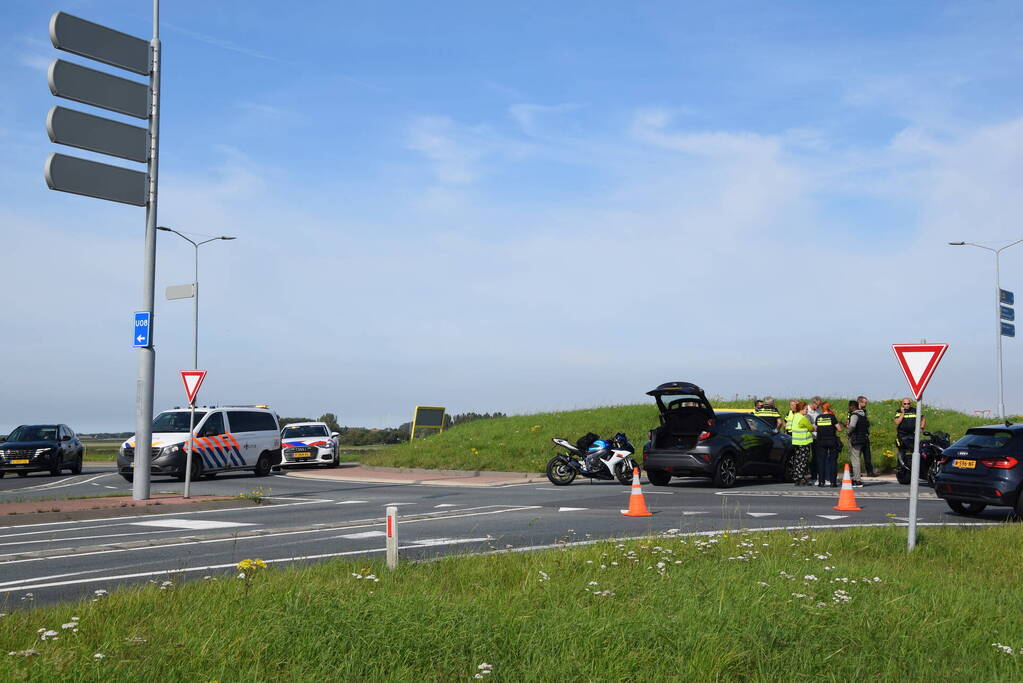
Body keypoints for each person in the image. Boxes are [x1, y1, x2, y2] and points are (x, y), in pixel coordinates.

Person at [814, 402, 844, 487]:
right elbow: (840, 429)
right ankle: (833, 482)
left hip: (821, 442)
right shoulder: (832, 417)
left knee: (821, 462)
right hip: (831, 441)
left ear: (822, 409)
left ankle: (821, 482)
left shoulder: (818, 418)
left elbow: (815, 429)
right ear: (828, 408)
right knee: (832, 462)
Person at [894, 398, 926, 473]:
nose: (907, 405)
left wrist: (921, 427)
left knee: (915, 450)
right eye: (905, 404)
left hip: (912, 434)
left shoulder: (914, 410)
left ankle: (913, 467)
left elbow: (923, 419)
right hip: (901, 435)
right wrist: (902, 413)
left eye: (908, 404)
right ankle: (900, 467)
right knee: (902, 451)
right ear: (902, 404)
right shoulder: (898, 411)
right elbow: (897, 422)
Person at [789, 401, 815, 486]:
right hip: (804, 442)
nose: (807, 411)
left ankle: (797, 477)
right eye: (806, 409)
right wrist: (814, 427)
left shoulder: (795, 416)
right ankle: (801, 478)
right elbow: (811, 428)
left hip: (796, 442)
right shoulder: (803, 418)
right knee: (803, 461)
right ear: (801, 409)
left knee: (797, 460)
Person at [846, 400, 867, 487]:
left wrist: (847, 432)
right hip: (862, 438)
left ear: (852, 407)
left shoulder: (854, 415)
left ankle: (857, 480)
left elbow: (852, 426)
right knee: (856, 458)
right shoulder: (862, 414)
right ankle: (856, 478)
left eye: (849, 407)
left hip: (855, 439)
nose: (849, 408)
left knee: (855, 460)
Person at [857, 395, 876, 477]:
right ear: (860, 402)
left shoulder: (864, 411)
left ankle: (870, 472)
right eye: (865, 402)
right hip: (857, 436)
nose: (866, 404)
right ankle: (856, 473)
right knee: (857, 456)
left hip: (865, 436)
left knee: (867, 455)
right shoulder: (853, 411)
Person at [806, 397, 822, 483]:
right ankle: (807, 472)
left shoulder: (819, 411)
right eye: (817, 405)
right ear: (813, 403)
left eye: (819, 405)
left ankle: (814, 474)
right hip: (808, 436)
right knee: (807, 455)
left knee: (816, 456)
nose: (818, 407)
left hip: (817, 436)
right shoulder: (806, 410)